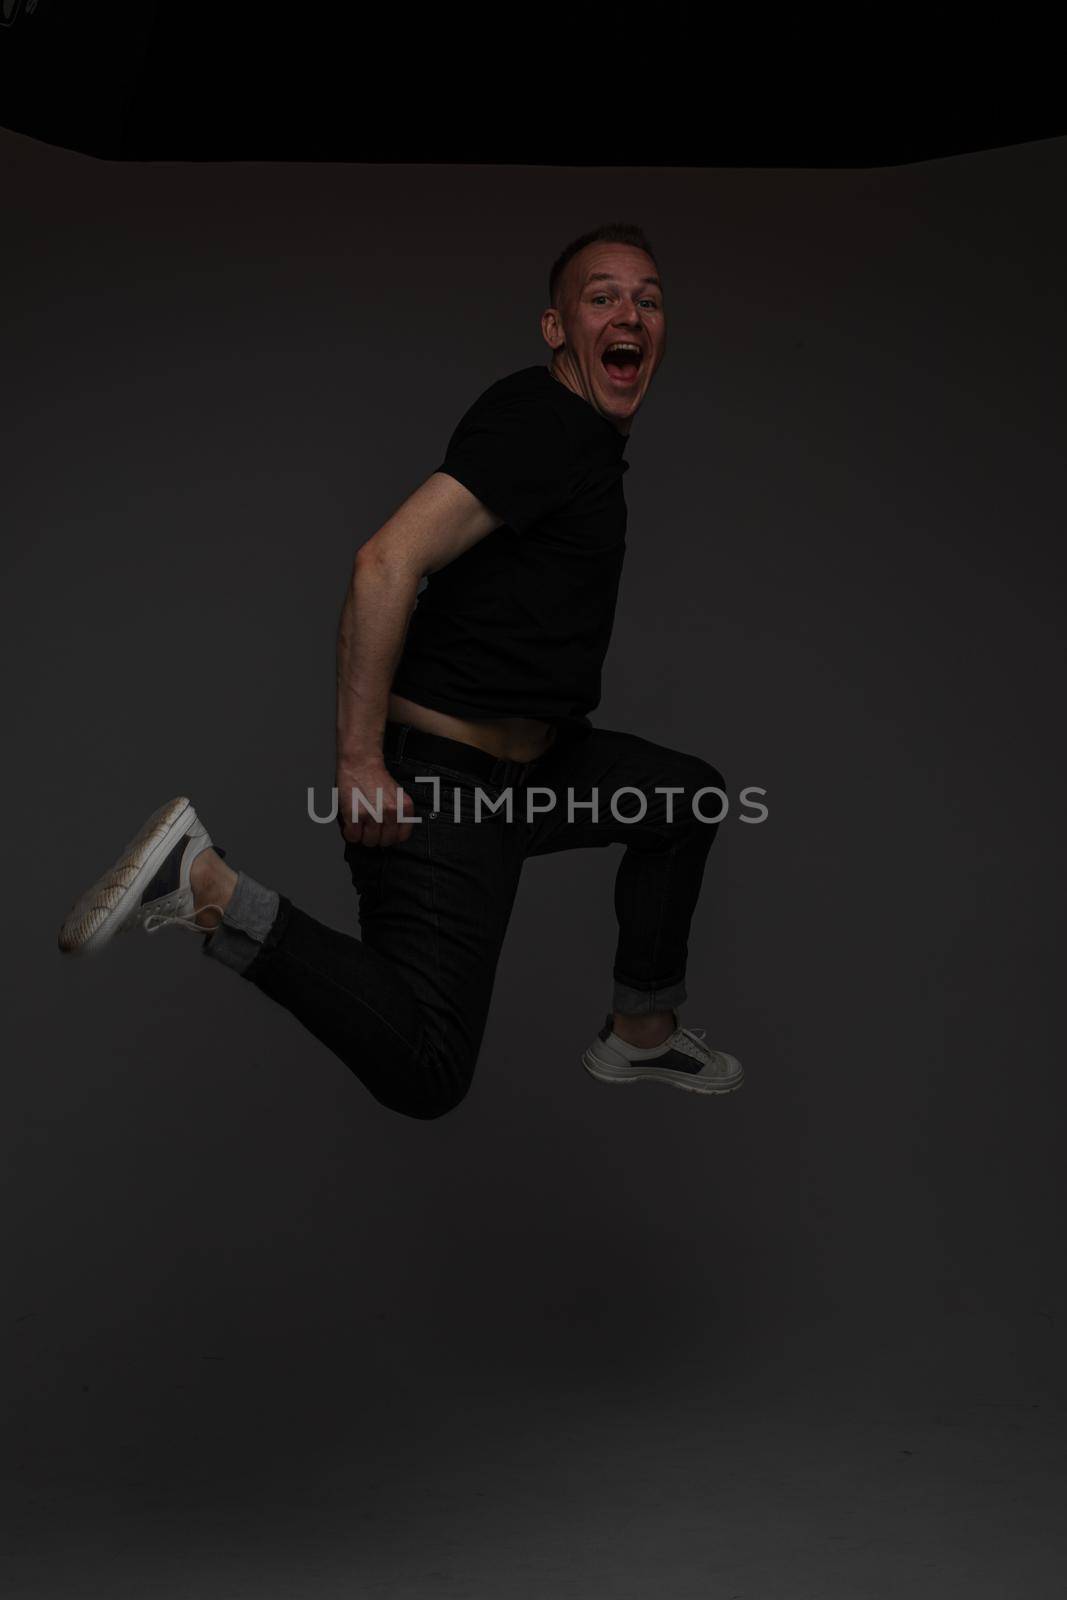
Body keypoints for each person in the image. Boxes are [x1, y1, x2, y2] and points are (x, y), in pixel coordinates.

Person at [57, 222, 743, 1118]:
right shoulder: (546, 422)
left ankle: (640, 1034)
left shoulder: (576, 439)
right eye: (602, 296)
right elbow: (384, 564)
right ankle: (207, 888)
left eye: (648, 300)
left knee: (684, 798)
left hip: (530, 777)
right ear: (554, 328)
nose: (630, 313)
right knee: (427, 1069)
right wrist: (359, 765)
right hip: (442, 786)